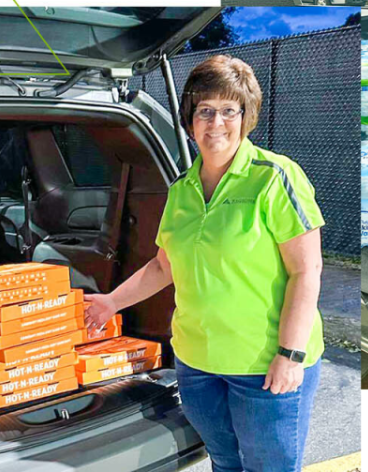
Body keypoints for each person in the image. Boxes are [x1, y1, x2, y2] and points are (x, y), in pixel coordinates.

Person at [84, 55, 325, 470]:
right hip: (197, 366)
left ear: (245, 116)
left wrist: (291, 353)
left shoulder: (274, 177)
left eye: (229, 111)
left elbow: (307, 270)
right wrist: (111, 303)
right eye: (205, 111)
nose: (216, 123)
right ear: (190, 120)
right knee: (225, 463)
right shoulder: (181, 189)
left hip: (263, 367)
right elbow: (163, 266)